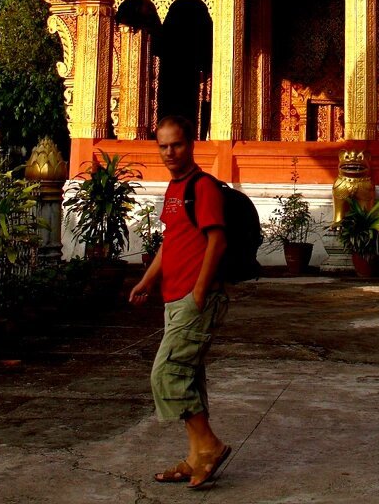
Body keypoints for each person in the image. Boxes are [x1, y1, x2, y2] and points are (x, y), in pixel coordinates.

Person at [129, 112, 232, 488]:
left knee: (167, 373)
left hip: (194, 296)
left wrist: (200, 293)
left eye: (177, 144)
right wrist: (146, 281)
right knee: (186, 375)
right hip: (175, 296)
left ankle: (210, 446)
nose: (170, 152)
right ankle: (195, 456)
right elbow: (171, 243)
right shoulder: (175, 189)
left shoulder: (202, 187)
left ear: (191, 145)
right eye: (163, 146)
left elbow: (217, 241)